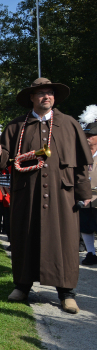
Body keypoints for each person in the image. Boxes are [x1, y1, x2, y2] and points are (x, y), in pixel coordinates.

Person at [0, 78, 93, 314]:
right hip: (27, 193)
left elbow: (81, 165)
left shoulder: (69, 124)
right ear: (32, 98)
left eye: (50, 93)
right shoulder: (16, 126)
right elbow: (4, 158)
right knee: (25, 238)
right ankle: (23, 286)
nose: (47, 96)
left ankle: (66, 293)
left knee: (63, 242)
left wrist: (84, 193)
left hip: (62, 195)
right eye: (41, 93)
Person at [77, 105, 97, 265]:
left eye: (91, 134)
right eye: (86, 134)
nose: (87, 137)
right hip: (84, 196)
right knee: (84, 226)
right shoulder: (80, 155)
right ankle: (91, 253)